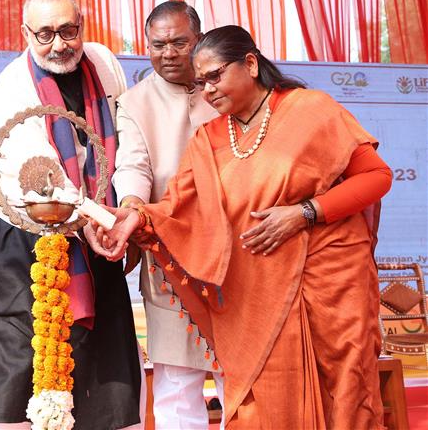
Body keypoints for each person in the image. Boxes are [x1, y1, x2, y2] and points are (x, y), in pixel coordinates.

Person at [89, 25, 392, 428]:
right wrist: (135, 218)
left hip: (332, 285)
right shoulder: (209, 138)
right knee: (261, 402)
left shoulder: (310, 110)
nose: (208, 91)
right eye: (201, 83)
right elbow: (177, 208)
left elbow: (376, 177)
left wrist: (304, 212)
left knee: (345, 391)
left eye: (215, 76)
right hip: (257, 294)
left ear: (250, 63)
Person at [0, 0, 143, 429]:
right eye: (45, 33)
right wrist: (95, 220)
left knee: (107, 374)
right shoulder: (13, 84)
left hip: (96, 230)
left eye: (68, 30)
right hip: (26, 242)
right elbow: (42, 174)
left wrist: (125, 209)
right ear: (25, 33)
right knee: (23, 373)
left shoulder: (104, 64)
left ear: (82, 25)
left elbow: (125, 141)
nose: (59, 44)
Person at [112, 1, 223, 429]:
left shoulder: (224, 88)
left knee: (239, 372)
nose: (169, 53)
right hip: (169, 252)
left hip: (234, 254)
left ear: (199, 40)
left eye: (180, 42)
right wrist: (132, 207)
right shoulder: (134, 103)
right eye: (158, 44)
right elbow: (133, 166)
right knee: (178, 381)